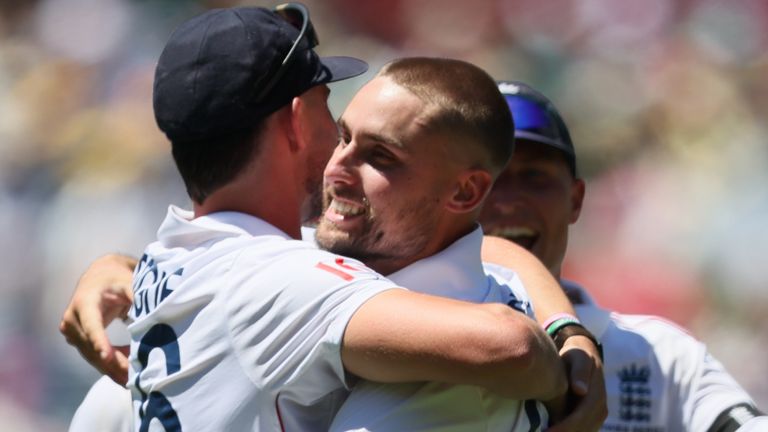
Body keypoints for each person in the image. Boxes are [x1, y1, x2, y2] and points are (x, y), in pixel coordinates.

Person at [60, 5, 605, 431]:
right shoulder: (286, 282)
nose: (340, 163)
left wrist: (567, 327)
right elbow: (509, 348)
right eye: (336, 124)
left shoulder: (174, 255)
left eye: (380, 154)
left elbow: (495, 253)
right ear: (297, 122)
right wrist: (569, 386)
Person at [479, 80, 767, 431]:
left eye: (534, 177)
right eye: (488, 180)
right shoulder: (399, 328)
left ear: (576, 200)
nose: (508, 200)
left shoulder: (658, 354)